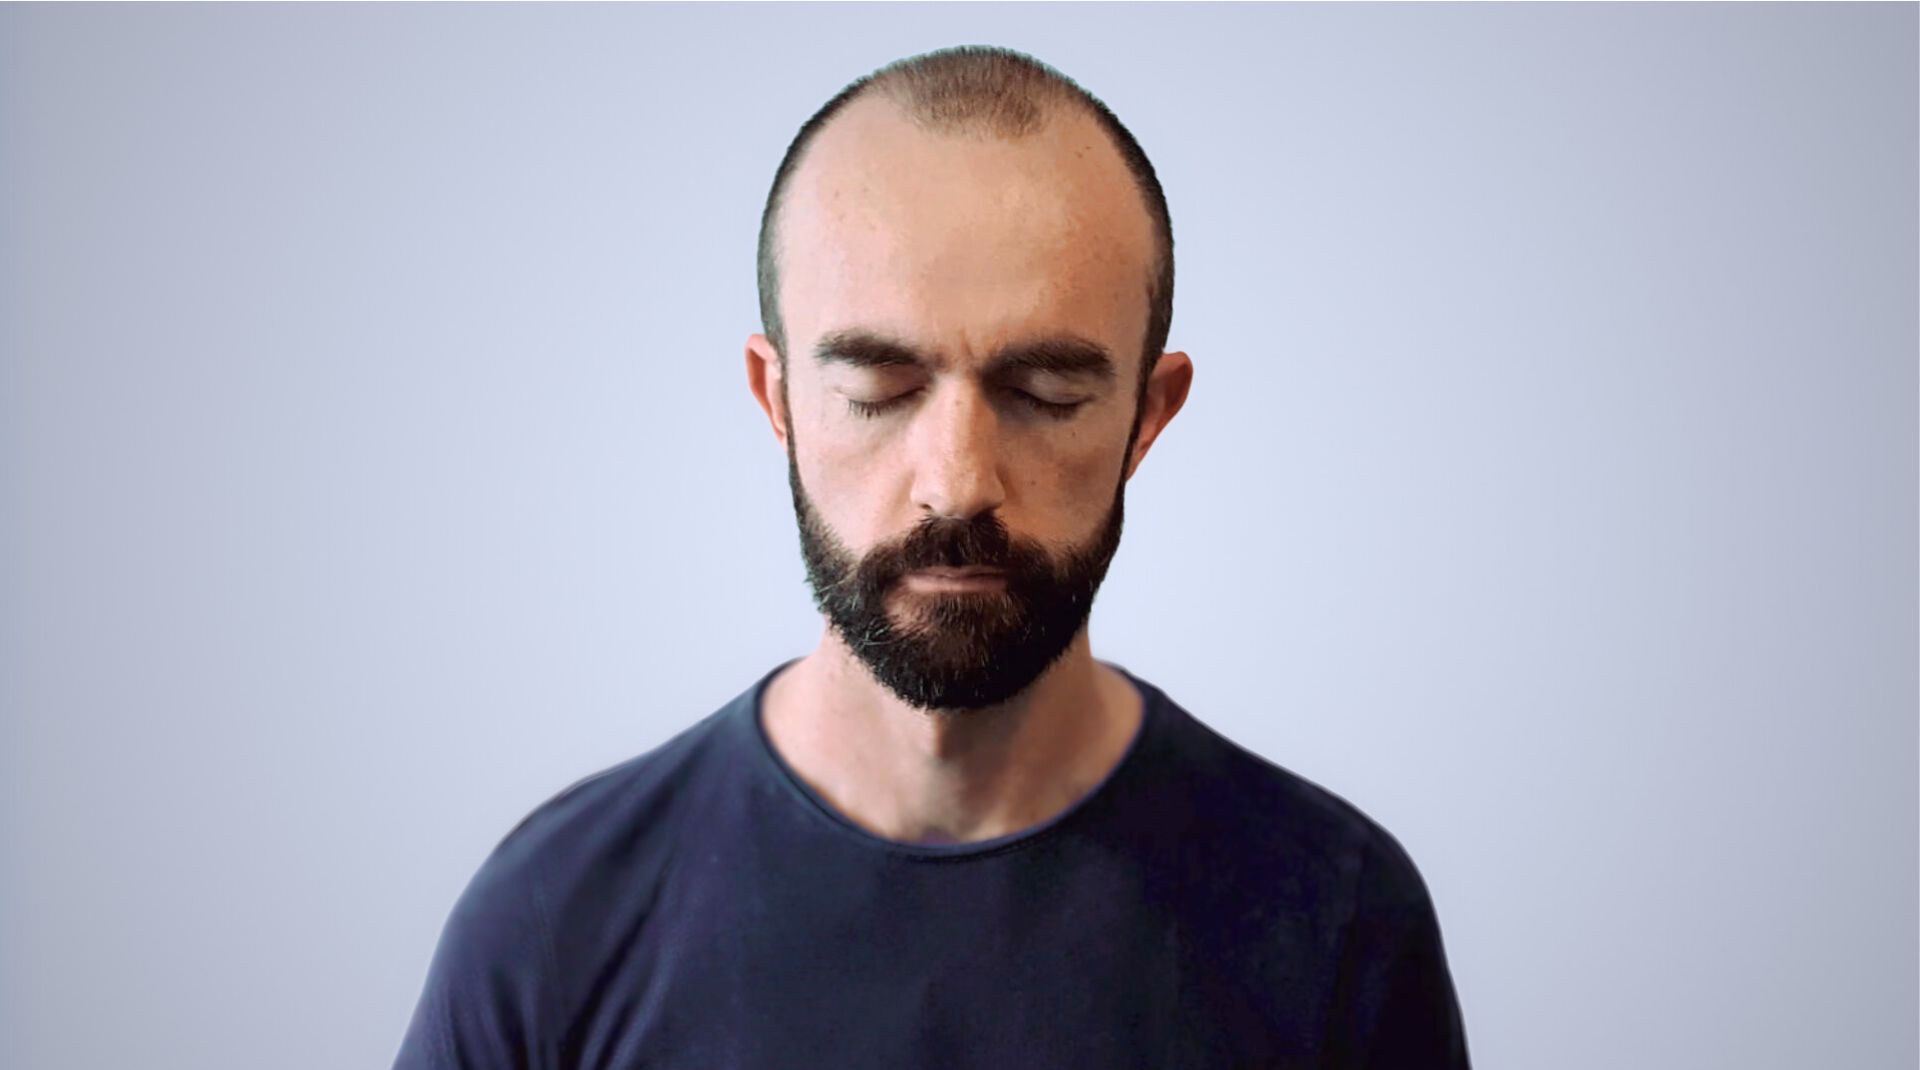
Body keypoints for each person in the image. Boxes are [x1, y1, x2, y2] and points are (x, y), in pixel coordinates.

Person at [394, 44, 1470, 1069]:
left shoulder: (1334, 918)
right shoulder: (554, 922)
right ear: (779, 400)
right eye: (878, 390)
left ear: (1149, 414)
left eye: (1045, 395)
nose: (957, 480)